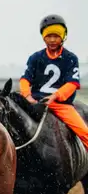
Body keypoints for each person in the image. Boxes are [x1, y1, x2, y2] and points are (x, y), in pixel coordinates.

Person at [19, 14, 88, 150]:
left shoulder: (70, 58)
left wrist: (55, 96)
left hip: (61, 105)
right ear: (43, 37)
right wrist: (27, 96)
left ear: (63, 36)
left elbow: (72, 84)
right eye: (48, 36)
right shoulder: (35, 58)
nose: (52, 40)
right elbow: (25, 80)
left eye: (56, 36)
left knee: (85, 133)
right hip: (37, 103)